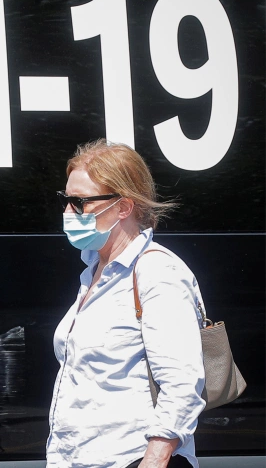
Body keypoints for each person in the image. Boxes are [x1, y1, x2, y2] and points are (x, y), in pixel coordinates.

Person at [47, 140, 206, 468]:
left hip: (130, 458)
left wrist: (155, 458)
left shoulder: (157, 272)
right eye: (65, 201)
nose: (68, 213)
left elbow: (182, 382)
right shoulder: (94, 270)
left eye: (80, 203)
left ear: (123, 207)